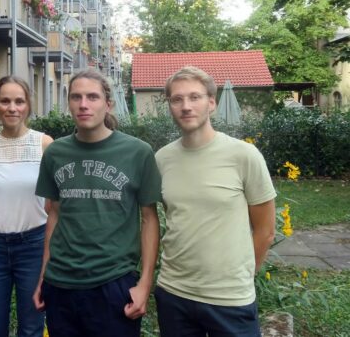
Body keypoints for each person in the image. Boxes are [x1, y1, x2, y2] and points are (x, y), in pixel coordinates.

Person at [33, 69, 162, 336]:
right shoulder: (55, 152)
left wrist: (145, 283)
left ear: (108, 103)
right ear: (68, 103)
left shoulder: (138, 152)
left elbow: (149, 218)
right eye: (76, 97)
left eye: (92, 97)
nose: (83, 104)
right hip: (60, 284)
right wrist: (43, 276)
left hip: (113, 282)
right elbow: (53, 215)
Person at [154, 66, 276, 337]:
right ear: (170, 106)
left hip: (230, 300)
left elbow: (266, 231)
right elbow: (175, 217)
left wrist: (242, 276)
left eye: (195, 97)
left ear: (211, 102)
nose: (186, 106)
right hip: (174, 293)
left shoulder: (244, 155)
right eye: (177, 99)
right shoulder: (161, 159)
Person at [0, 76, 53, 337]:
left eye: (19, 101)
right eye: (5, 101)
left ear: (28, 105)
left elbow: (54, 208)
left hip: (33, 246)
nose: (12, 108)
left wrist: (49, 256)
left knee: (31, 329)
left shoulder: (45, 145)